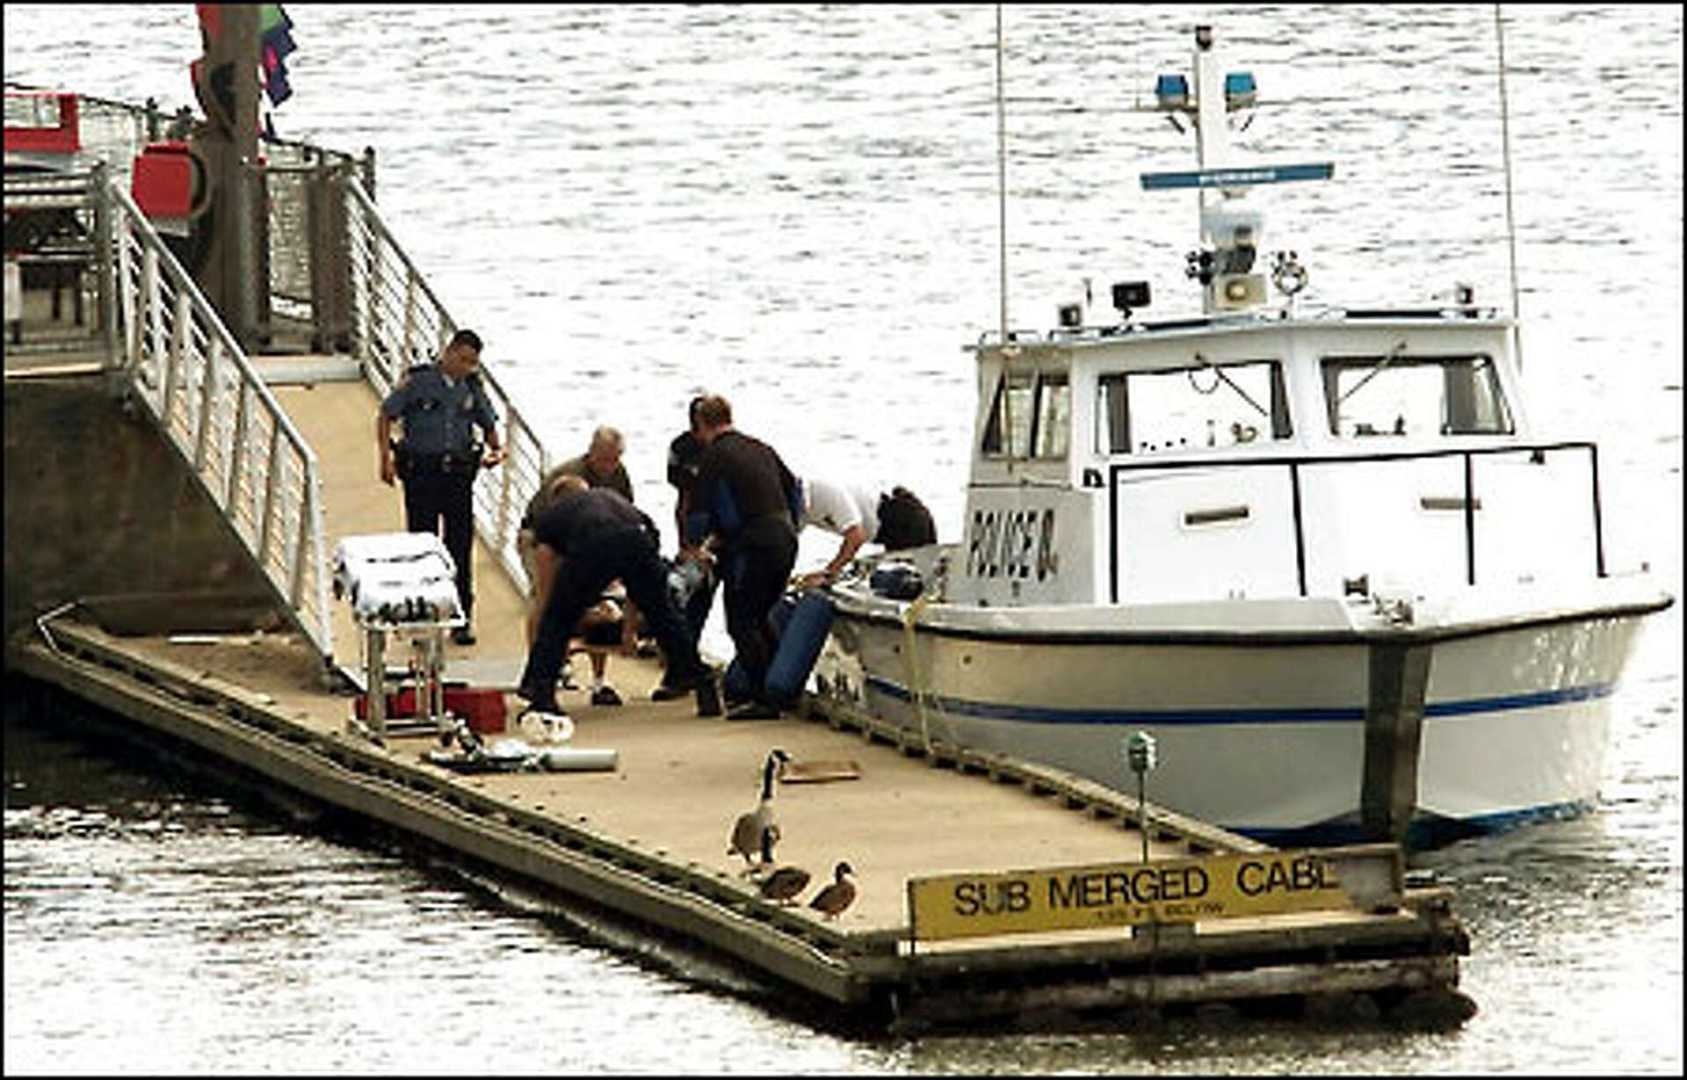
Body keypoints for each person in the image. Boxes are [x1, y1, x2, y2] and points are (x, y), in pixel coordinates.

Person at [516, 483, 718, 720]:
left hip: (595, 544)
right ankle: (698, 677)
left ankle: (542, 695)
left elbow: (547, 573)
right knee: (663, 614)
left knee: (558, 620)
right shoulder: (613, 499)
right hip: (639, 537)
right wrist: (629, 628)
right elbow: (646, 557)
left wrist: (548, 607)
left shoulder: (552, 517)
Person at [377, 329, 504, 646]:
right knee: (421, 544)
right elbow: (386, 414)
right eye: (462, 360)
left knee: (459, 545)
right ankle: (421, 616)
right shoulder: (419, 382)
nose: (466, 367)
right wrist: (385, 459)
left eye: (472, 363)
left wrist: (496, 450)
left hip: (458, 475)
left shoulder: (471, 388)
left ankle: (461, 616)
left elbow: (488, 424)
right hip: (422, 472)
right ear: (448, 352)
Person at [680, 394, 801, 721]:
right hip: (785, 538)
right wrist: (791, 524)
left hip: (753, 545)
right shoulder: (761, 447)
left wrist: (697, 546)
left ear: (701, 425)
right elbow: (794, 489)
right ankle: (780, 690)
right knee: (761, 615)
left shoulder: (714, 457)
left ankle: (764, 697)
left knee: (741, 619)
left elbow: (701, 513)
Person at [794, 478, 938, 590]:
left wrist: (828, 573)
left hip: (904, 519)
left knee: (918, 581)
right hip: (881, 531)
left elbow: (856, 538)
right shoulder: (797, 510)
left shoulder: (823, 492)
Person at [665, 395, 719, 642]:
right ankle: (682, 645)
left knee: (707, 588)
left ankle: (688, 644)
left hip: (717, 516)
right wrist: (685, 544)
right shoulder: (681, 447)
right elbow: (683, 496)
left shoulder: (722, 446)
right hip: (696, 516)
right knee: (691, 586)